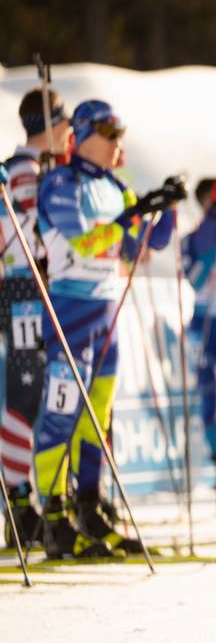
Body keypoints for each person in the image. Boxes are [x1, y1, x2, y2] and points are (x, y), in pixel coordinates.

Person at [34, 100, 182, 558]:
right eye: (110, 132)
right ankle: (54, 520)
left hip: (104, 311)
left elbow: (149, 242)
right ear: (84, 132)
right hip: (70, 309)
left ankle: (90, 510)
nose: (119, 141)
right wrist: (131, 216)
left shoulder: (116, 187)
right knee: (61, 413)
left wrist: (165, 207)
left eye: (121, 133)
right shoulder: (62, 182)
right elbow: (87, 240)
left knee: (98, 418)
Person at [0, 87, 70, 548]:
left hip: (27, 286)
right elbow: (33, 230)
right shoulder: (25, 170)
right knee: (28, 392)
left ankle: (25, 502)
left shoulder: (21, 167)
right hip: (26, 286)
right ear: (53, 125)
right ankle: (20, 504)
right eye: (64, 125)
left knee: (34, 390)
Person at [181, 177, 216, 488]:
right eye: (214, 203)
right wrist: (214, 223)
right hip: (205, 321)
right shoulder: (193, 239)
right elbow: (195, 280)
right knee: (208, 397)